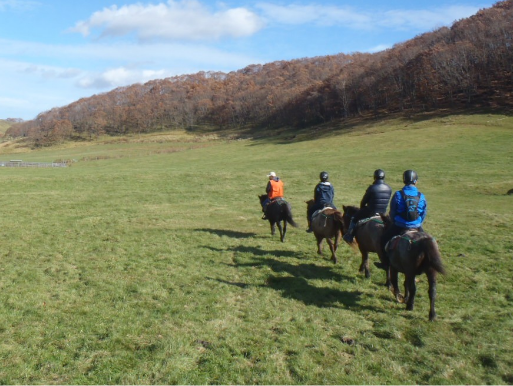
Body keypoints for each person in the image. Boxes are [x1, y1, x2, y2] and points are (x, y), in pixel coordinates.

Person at [380, 169, 427, 266]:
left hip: (400, 225)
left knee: (383, 240)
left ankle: (385, 264)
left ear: (404, 180)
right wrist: (417, 223)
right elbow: (423, 213)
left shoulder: (398, 194)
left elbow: (392, 212)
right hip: (416, 226)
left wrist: (394, 222)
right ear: (416, 181)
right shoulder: (421, 196)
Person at [343, 169, 392, 243]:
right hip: (383, 212)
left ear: (374, 177)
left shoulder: (372, 188)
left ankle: (349, 235)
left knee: (354, 218)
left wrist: (362, 208)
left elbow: (363, 201)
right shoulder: (389, 188)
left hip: (371, 211)